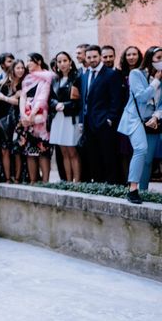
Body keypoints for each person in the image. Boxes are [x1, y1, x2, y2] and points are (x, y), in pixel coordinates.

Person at [117, 46, 162, 203]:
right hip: (134, 118)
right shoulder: (135, 73)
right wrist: (156, 80)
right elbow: (142, 97)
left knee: (148, 159)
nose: (161, 61)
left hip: (151, 120)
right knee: (141, 149)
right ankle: (133, 190)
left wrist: (156, 117)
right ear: (150, 58)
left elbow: (161, 104)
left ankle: (144, 191)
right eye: (158, 58)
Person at [78, 45, 123, 184]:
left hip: (104, 123)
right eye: (89, 57)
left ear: (100, 57)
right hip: (88, 123)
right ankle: (98, 183)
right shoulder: (85, 75)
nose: (92, 60)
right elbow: (83, 100)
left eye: (95, 57)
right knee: (93, 155)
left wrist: (110, 119)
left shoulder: (111, 74)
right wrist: (81, 121)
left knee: (108, 155)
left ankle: (111, 184)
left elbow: (116, 100)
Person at [17, 53, 53, 184]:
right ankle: (33, 180)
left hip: (40, 117)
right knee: (30, 151)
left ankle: (45, 181)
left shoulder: (47, 77)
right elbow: (23, 96)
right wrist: (23, 114)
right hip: (27, 118)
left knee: (43, 150)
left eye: (29, 61)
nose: (27, 64)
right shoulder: (27, 78)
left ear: (38, 61)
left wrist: (32, 114)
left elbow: (43, 97)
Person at [49, 51, 81, 182]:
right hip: (58, 118)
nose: (62, 64)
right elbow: (50, 98)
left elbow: (79, 100)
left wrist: (65, 106)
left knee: (72, 151)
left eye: (64, 61)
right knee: (64, 152)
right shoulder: (55, 79)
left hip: (70, 118)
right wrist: (55, 104)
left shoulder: (76, 77)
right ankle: (68, 181)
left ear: (70, 62)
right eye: (59, 61)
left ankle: (77, 182)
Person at [0, 59, 25, 183]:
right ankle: (7, 178)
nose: (21, 70)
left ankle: (17, 178)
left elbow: (22, 102)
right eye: (18, 68)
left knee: (17, 150)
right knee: (5, 150)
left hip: (19, 120)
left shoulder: (24, 84)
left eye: (22, 68)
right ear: (12, 69)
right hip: (4, 121)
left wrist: (6, 98)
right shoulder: (2, 84)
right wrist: (12, 98)